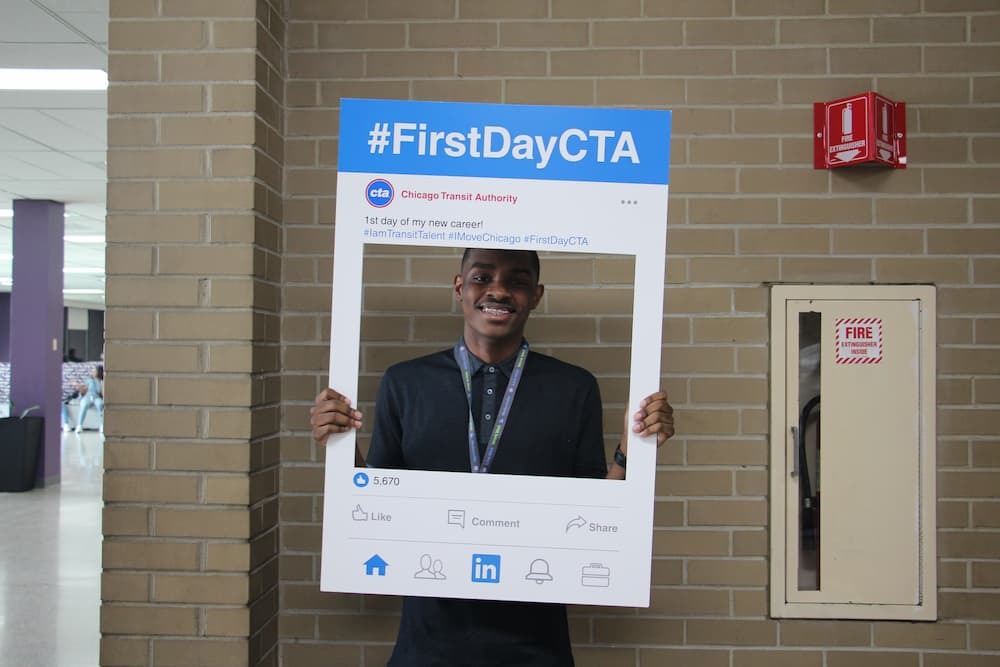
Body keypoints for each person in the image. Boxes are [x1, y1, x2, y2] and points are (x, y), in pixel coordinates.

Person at [311, 248, 674, 666]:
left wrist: (633, 450)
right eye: (482, 277)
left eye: (517, 281)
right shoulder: (405, 382)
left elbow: (595, 522)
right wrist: (340, 446)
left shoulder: (574, 388)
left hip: (537, 647)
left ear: (536, 295)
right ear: (459, 287)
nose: (499, 290)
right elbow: (375, 509)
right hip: (427, 644)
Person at [75, 364, 104, 434]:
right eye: (93, 370)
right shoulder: (89, 380)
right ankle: (79, 425)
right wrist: (77, 386)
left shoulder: (101, 381)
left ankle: (102, 425)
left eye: (95, 371)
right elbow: (84, 390)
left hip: (96, 397)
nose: (93, 372)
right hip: (88, 396)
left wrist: (103, 384)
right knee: (84, 405)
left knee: (100, 405)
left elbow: (102, 393)